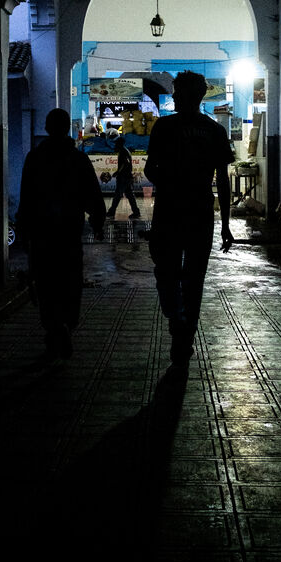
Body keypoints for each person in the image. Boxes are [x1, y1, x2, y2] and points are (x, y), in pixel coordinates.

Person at [144, 70, 235, 368]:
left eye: (177, 92)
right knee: (194, 278)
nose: (174, 96)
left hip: (170, 212)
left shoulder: (164, 127)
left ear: (187, 95)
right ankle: (185, 334)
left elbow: (150, 169)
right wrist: (225, 224)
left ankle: (177, 323)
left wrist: (169, 182)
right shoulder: (214, 131)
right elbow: (223, 181)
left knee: (167, 271)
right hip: (200, 213)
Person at [16, 108, 106, 357]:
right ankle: (66, 323)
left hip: (42, 234)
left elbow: (26, 197)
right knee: (70, 281)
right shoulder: (78, 159)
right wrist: (98, 222)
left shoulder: (35, 159)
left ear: (47, 128)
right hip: (69, 233)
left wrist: (23, 228)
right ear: (68, 129)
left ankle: (53, 327)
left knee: (46, 283)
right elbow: (93, 195)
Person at [106, 136, 141, 219]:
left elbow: (125, 163)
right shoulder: (124, 150)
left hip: (124, 177)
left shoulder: (123, 152)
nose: (115, 145)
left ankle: (112, 212)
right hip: (126, 177)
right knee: (130, 195)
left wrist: (118, 172)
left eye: (116, 144)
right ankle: (136, 212)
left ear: (120, 144)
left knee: (118, 195)